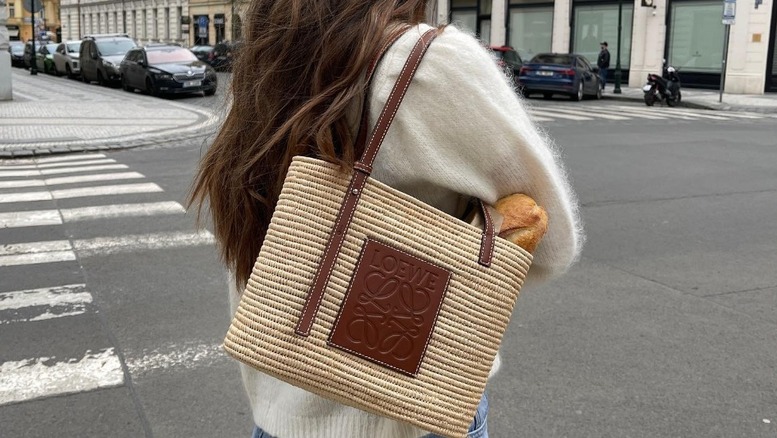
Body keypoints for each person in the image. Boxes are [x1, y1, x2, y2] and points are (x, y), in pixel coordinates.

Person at [189, 1, 584, 437]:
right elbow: (551, 244)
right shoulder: (428, 63)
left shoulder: (268, 61)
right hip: (409, 418)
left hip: (279, 415)